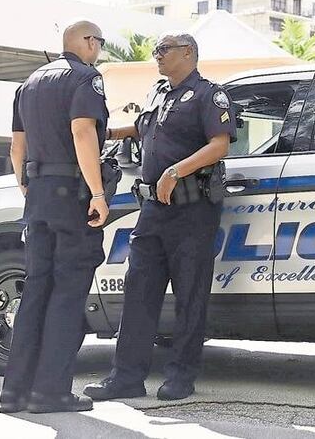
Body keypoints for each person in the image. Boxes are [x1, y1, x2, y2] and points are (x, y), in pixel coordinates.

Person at [85, 32, 234, 402]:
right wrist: (100, 133)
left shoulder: (207, 94)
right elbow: (142, 129)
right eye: (155, 50)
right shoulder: (158, 93)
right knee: (139, 294)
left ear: (188, 52)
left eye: (163, 50)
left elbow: (220, 144)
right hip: (152, 210)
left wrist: (176, 171)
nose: (157, 56)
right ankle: (126, 377)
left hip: (192, 209)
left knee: (190, 295)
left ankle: (181, 376)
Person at [0, 20, 110, 415]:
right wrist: (97, 192)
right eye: (99, 42)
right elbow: (83, 132)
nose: (99, 50)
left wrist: (26, 185)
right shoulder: (85, 78)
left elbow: (17, 146)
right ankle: (51, 392)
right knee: (68, 292)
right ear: (88, 42)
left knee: (36, 290)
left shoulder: (29, 83)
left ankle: (14, 393)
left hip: (39, 195)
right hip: (70, 197)